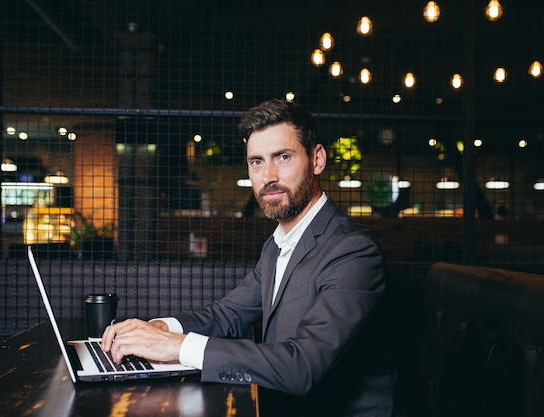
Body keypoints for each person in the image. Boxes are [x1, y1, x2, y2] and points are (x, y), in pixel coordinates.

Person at [102, 99, 395, 417]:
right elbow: (228, 315)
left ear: (317, 159)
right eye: (256, 162)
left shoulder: (353, 252)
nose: (268, 175)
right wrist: (159, 329)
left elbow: (302, 367)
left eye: (282, 157)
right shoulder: (277, 245)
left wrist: (178, 346)